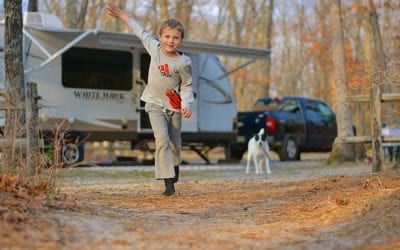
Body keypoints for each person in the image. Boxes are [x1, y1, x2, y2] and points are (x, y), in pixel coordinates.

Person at [107, 1, 194, 196]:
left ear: (181, 40)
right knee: (161, 139)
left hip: (175, 106)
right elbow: (139, 30)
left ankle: (175, 166)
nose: (170, 41)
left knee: (174, 143)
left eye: (175, 38)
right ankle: (168, 182)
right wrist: (121, 15)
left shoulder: (183, 61)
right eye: (167, 36)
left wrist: (186, 103)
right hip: (153, 103)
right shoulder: (154, 48)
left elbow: (187, 85)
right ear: (160, 37)